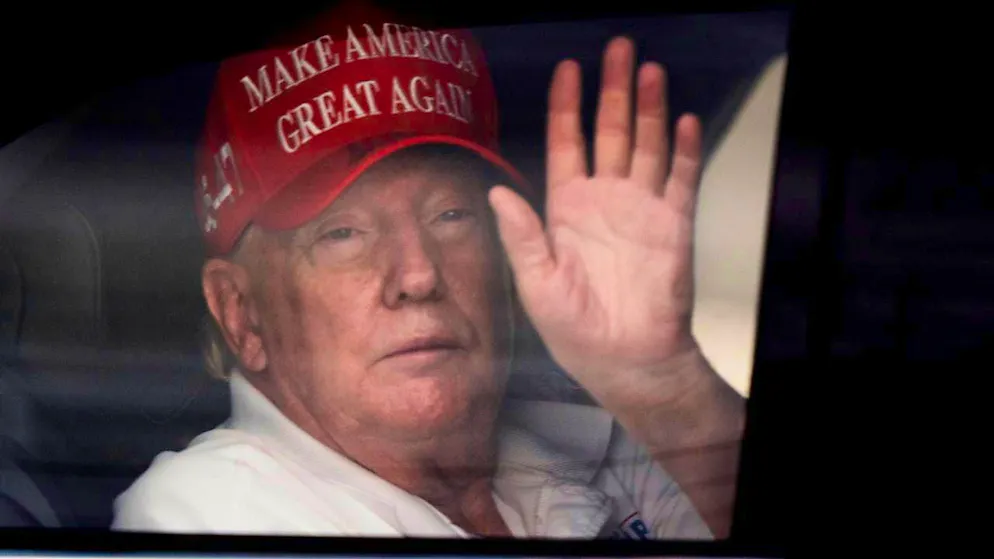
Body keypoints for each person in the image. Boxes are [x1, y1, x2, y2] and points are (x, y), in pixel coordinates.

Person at [112, 9, 746, 540]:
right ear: (241, 312)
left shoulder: (605, 434)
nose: (417, 276)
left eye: (450, 214)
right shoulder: (205, 514)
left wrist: (664, 385)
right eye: (343, 234)